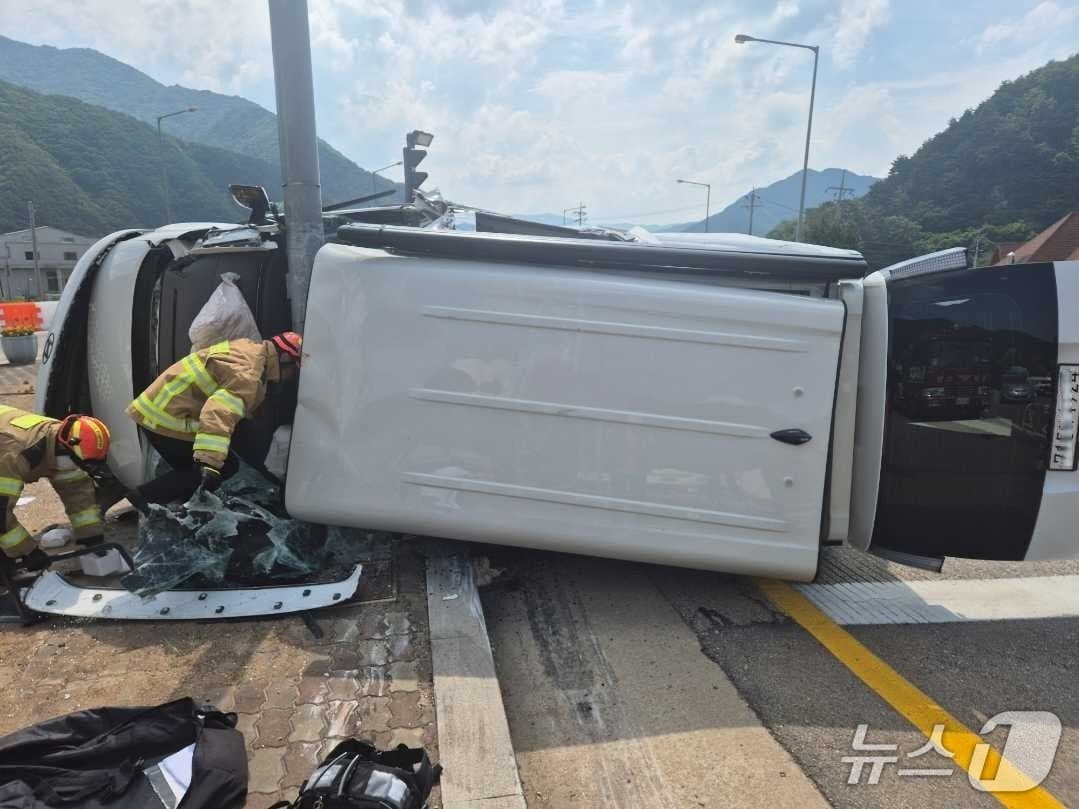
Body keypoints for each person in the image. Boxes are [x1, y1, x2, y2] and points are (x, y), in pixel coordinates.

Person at [127, 332, 302, 504]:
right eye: (294, 370)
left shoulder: (251, 350)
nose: (292, 378)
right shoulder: (249, 374)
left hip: (162, 405)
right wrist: (209, 464)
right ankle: (136, 501)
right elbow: (218, 413)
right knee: (215, 469)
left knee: (215, 461)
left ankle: (180, 506)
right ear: (284, 357)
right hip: (165, 416)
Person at [0, 407, 110, 572]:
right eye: (78, 464)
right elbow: (1, 514)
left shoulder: (65, 441)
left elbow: (78, 494)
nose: (79, 469)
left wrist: (91, 538)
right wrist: (27, 552)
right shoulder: (14, 456)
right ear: (63, 448)